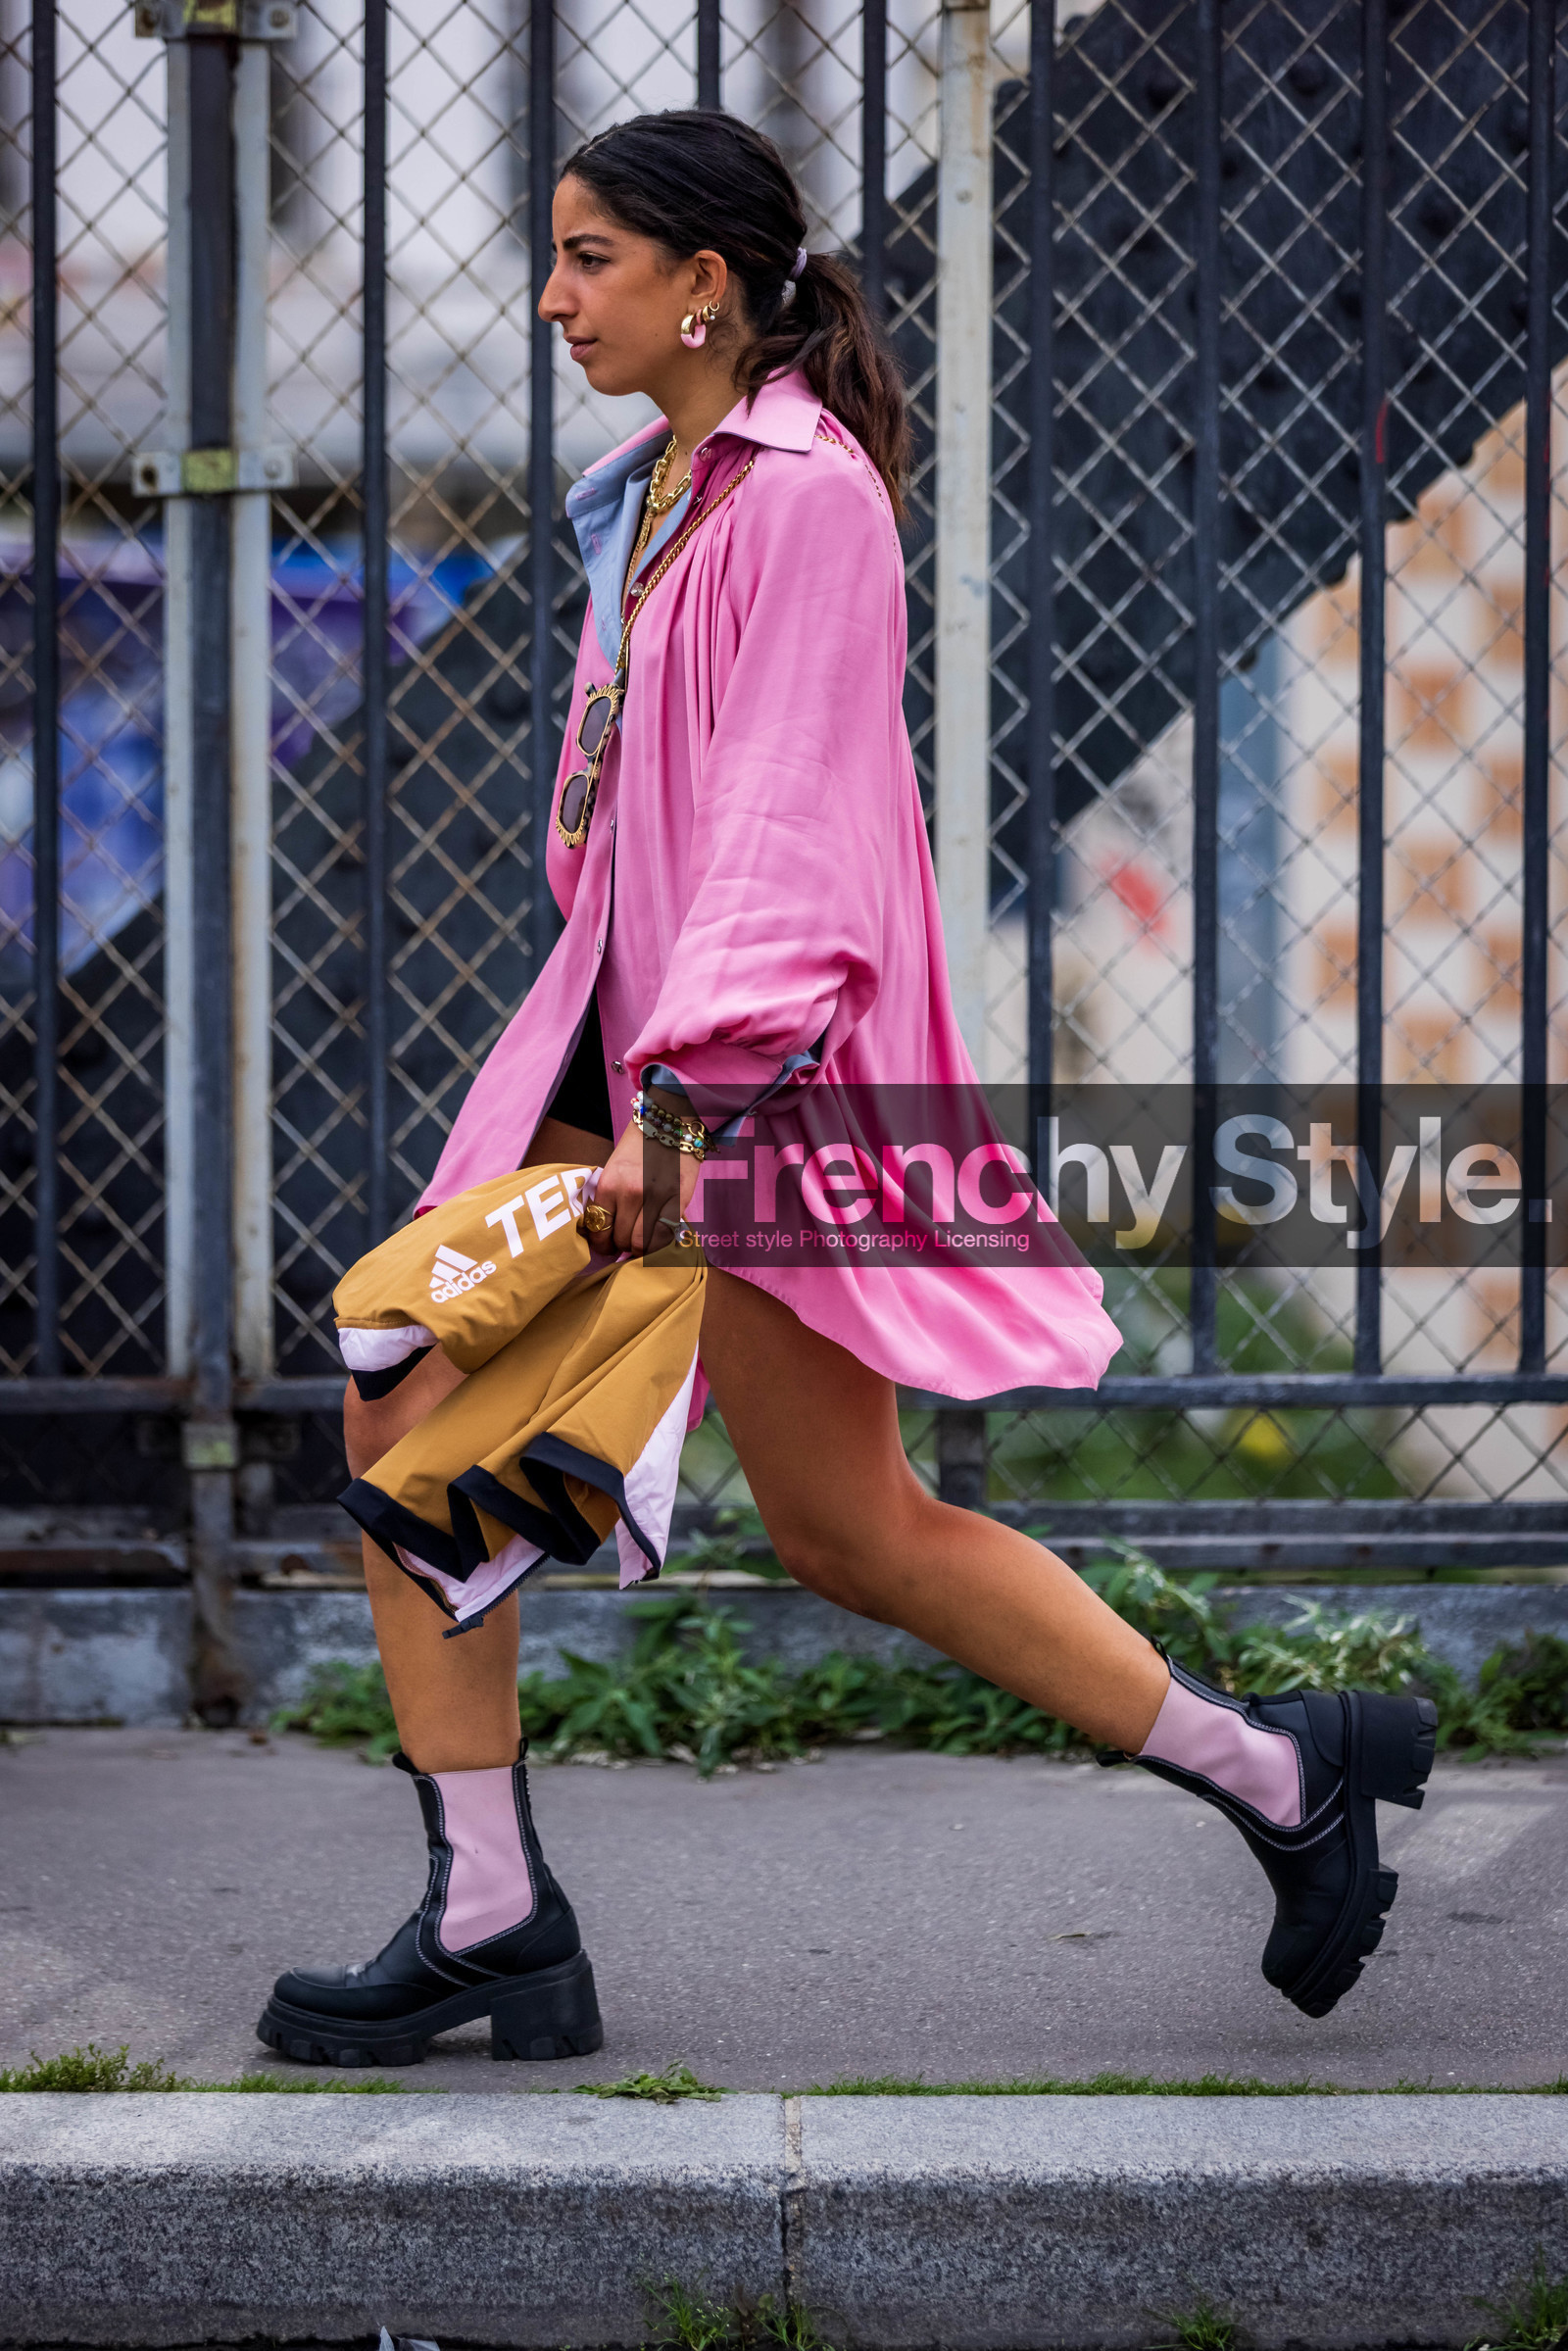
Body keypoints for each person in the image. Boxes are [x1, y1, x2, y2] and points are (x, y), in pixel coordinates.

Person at [258, 111, 1435, 2071]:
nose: (551, 297)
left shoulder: (799, 500)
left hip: (735, 1096)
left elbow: (789, 837)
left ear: (700, 282)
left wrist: (678, 1117)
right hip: (654, 1062)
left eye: (588, 259)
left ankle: (499, 1913)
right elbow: (635, 804)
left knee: (458, 1384)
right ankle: (1270, 1776)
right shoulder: (664, 492)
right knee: (802, 1512)